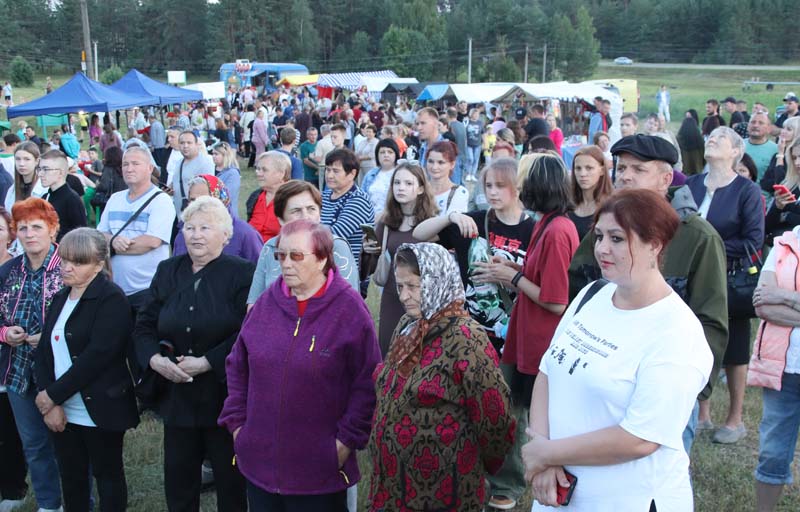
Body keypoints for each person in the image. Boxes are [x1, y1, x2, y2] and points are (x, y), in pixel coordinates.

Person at [523, 189, 713, 510]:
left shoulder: (677, 332)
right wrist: (544, 454)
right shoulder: (592, 294)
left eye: (617, 239)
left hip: (626, 500)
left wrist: (549, 453)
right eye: (599, 236)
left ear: (655, 245)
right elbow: (547, 371)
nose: (602, 249)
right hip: (558, 493)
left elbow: (641, 439)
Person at [220, 219, 381, 512]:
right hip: (259, 465)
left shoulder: (349, 310)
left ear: (322, 259)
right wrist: (238, 426)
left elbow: (367, 382)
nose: (285, 264)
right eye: (280, 255)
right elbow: (237, 365)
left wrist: (344, 443)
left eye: (296, 256)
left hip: (319, 473)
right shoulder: (268, 303)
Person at [367, 242, 515, 511]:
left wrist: (479, 463)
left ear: (438, 281)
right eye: (400, 287)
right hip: (393, 487)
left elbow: (495, 420)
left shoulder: (466, 340)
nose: (404, 296)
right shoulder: (409, 325)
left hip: (442, 491)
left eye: (414, 286)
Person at [470, 154, 577, 511]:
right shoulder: (546, 222)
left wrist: (511, 278)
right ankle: (509, 480)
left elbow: (556, 300)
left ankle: (523, 485)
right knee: (510, 413)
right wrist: (513, 265)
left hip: (540, 342)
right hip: (525, 336)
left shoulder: (559, 230)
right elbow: (539, 272)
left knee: (527, 417)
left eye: (522, 180)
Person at [135, 196, 254, 512]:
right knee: (179, 479)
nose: (196, 235)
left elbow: (247, 331)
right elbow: (144, 323)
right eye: (190, 227)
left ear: (225, 235)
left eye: (205, 228)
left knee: (231, 483)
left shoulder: (242, 273)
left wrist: (207, 362)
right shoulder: (167, 270)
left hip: (223, 395)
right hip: (177, 396)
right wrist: (155, 360)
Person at [34, 228, 138, 512]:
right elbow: (43, 352)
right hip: (62, 408)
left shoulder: (112, 299)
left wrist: (52, 395)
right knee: (72, 478)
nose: (67, 267)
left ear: (98, 264)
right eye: (65, 259)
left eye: (77, 262)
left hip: (100, 408)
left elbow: (98, 356)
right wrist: (50, 402)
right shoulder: (61, 297)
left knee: (108, 477)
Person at [685, 126, 765, 444]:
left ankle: (734, 420)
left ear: (735, 151)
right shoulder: (691, 184)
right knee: (697, 343)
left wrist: (709, 247)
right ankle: (702, 414)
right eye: (711, 135)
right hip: (691, 279)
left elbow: (754, 242)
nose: (712, 139)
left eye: (721, 137)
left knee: (732, 349)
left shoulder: (747, 191)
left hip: (729, 279)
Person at [414, 156, 534, 356]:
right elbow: (419, 234)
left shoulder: (533, 230)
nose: (492, 192)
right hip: (469, 332)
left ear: (518, 186)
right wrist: (451, 217)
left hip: (513, 333)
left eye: (500, 185)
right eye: (488, 185)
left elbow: (539, 289)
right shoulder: (473, 222)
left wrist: (508, 277)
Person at [0, 198, 64, 512]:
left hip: (60, 373)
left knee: (67, 443)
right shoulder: (9, 271)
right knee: (34, 445)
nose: (29, 234)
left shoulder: (69, 267)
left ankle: (79, 500)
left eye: (36, 227)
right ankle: (49, 504)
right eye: (22, 228)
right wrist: (5, 334)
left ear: (52, 230)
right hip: (17, 372)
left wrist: (50, 338)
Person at [247, 179, 359, 308]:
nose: (305, 216)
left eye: (311, 209)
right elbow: (254, 304)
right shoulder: (270, 247)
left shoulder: (335, 247)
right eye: (296, 211)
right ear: (281, 220)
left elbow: (349, 305)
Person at [750, 224, 800, 511]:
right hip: (784, 370)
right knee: (772, 453)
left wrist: (784, 295)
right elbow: (762, 306)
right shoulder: (784, 244)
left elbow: (772, 298)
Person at [364, 162, 437, 355]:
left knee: (418, 355)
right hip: (392, 296)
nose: (401, 188)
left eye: (407, 183)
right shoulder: (386, 222)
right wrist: (368, 251)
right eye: (396, 183)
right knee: (389, 351)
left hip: (423, 300)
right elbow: (368, 269)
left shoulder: (432, 223)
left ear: (421, 188)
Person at [97, 146, 175, 320]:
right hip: (115, 289)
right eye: (125, 164)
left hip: (146, 290)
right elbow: (99, 235)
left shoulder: (161, 201)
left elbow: (151, 242)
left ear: (149, 168)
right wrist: (112, 240)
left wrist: (113, 244)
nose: (129, 168)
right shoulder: (115, 199)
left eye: (135, 164)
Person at [173, 175, 262, 264]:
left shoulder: (244, 233)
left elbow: (260, 270)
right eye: (193, 200)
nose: (197, 204)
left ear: (220, 200)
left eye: (204, 199)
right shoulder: (184, 231)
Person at [320, 149, 375, 270]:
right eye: (328, 170)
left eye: (336, 171)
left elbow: (335, 235)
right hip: (323, 268)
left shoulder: (359, 200)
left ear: (352, 174)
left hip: (346, 272)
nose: (329, 175)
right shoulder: (324, 196)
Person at [38, 150, 87, 242]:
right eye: (39, 169)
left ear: (60, 173)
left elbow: (82, 236)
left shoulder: (72, 199)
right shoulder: (45, 197)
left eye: (46, 169)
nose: (40, 174)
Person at [568, 146, 613, 240]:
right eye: (578, 168)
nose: (582, 174)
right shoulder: (567, 204)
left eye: (589, 168)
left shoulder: (611, 207)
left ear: (601, 170)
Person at [246, 151, 291, 241]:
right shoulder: (255, 197)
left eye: (264, 170)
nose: (258, 173)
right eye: (258, 169)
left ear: (281, 173)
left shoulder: (292, 199)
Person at [764, 139, 800, 244]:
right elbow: (767, 227)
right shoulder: (788, 185)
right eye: (794, 158)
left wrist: (787, 216)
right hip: (782, 250)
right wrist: (777, 207)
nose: (797, 162)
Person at [173, 131, 214, 216]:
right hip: (179, 213)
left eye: (189, 143)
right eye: (182, 143)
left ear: (196, 144)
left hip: (196, 214)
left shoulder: (205, 163)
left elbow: (207, 191)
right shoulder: (179, 162)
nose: (185, 146)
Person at [425, 140, 469, 217]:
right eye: (430, 161)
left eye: (441, 162)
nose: (434, 167)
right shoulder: (418, 190)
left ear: (452, 164)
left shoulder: (459, 193)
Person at [361, 138, 400, 219]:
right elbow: (362, 198)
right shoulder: (370, 174)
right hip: (369, 219)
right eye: (382, 152)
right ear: (377, 155)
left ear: (396, 154)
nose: (386, 155)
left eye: (390, 152)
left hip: (392, 219)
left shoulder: (400, 174)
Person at [4, 142, 48, 214]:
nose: (21, 164)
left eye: (27, 159)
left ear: (37, 161)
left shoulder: (45, 189)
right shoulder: (12, 190)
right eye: (18, 159)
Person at [761, 117, 800, 194]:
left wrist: (781, 155)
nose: (783, 131)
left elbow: (780, 184)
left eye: (788, 129)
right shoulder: (777, 155)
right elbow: (764, 183)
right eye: (783, 128)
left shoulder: (783, 156)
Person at [746, 112, 779, 181]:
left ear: (769, 128)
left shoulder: (776, 150)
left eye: (761, 123)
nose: (755, 125)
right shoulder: (737, 145)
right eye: (753, 122)